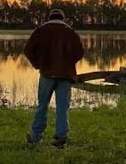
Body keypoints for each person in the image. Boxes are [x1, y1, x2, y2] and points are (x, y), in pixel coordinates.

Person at [23, 8, 84, 148]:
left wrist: (38, 64)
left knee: (42, 106)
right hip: (65, 75)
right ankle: (61, 137)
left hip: (46, 74)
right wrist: (69, 63)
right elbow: (80, 52)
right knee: (62, 107)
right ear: (63, 18)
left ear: (49, 18)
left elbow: (27, 50)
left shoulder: (41, 30)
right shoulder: (70, 32)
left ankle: (35, 137)